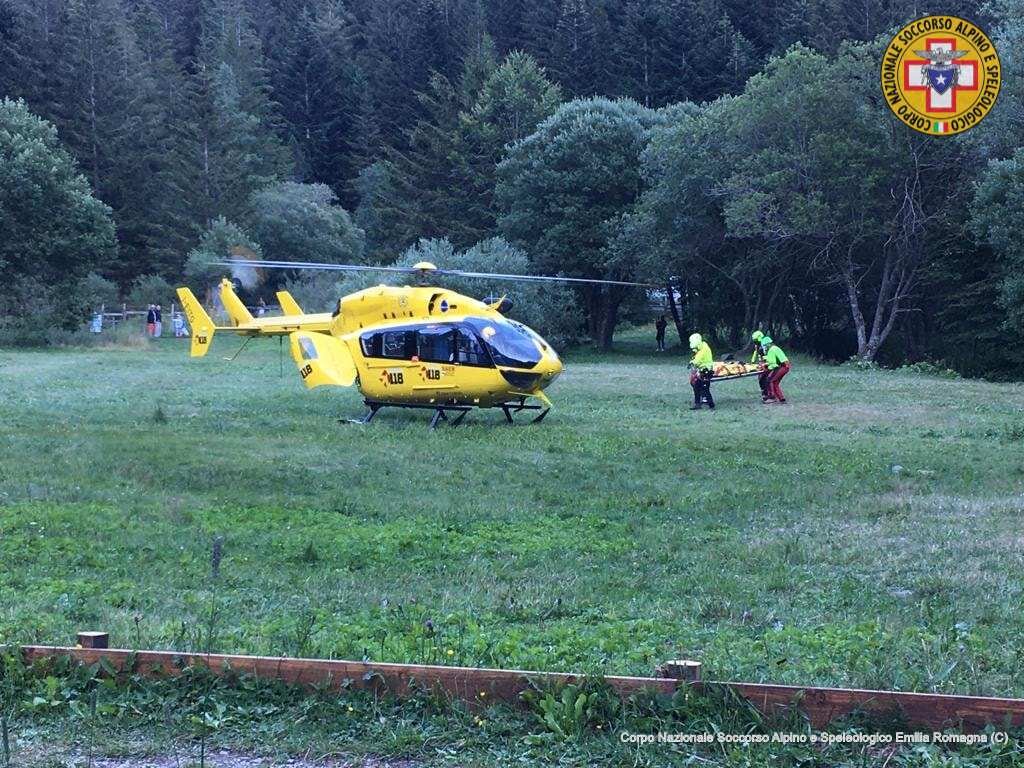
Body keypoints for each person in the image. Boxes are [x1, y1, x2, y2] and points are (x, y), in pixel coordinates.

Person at [688, 332, 715, 410]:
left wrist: (693, 363)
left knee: (705, 388)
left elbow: (698, 359)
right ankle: (697, 404)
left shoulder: (704, 349)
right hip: (702, 371)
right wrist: (692, 361)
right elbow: (696, 357)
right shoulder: (700, 348)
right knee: (696, 386)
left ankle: (711, 405)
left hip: (707, 371)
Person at [761, 336, 791, 404]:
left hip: (782, 367)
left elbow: (773, 364)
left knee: (769, 380)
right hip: (786, 366)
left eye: (765, 346)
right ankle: (782, 399)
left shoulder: (771, 350)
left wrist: (766, 368)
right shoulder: (775, 348)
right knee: (775, 382)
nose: (764, 347)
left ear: (768, 344)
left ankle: (772, 397)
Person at [751, 330, 770, 402]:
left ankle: (768, 394)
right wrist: (752, 361)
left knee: (765, 378)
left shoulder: (764, 344)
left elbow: (767, 355)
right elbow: (755, 352)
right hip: (761, 363)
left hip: (766, 363)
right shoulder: (757, 345)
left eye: (755, 340)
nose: (755, 342)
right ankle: (764, 392)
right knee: (760, 379)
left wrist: (765, 363)